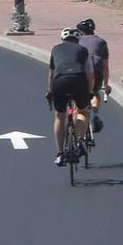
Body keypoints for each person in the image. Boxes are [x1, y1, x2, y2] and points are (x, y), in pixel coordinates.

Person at [46, 26, 94, 165]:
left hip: (60, 81)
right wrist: (90, 92)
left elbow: (51, 74)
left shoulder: (55, 49)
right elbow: (90, 75)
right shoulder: (83, 50)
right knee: (82, 111)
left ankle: (60, 154)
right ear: (78, 39)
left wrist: (50, 91)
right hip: (78, 80)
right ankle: (79, 141)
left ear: (62, 39)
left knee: (60, 116)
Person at [76, 17, 111, 133]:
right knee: (95, 93)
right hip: (96, 70)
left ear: (80, 31)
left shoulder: (77, 40)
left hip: (81, 71)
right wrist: (106, 85)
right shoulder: (101, 42)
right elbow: (105, 67)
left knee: (79, 99)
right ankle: (96, 115)